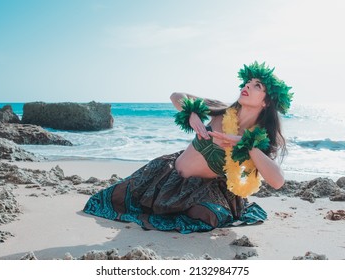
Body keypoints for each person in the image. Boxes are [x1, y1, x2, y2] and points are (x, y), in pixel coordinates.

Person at [83, 61, 293, 233]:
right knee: (111, 199)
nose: (247, 86)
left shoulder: (259, 137)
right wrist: (192, 112)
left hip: (202, 190)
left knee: (207, 216)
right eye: (248, 82)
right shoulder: (221, 111)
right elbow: (176, 96)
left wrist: (247, 145)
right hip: (168, 175)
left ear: (267, 102)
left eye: (257, 86)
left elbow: (277, 181)